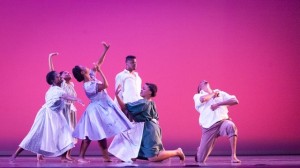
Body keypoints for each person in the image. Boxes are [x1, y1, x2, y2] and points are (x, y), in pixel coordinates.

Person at [71, 42, 133, 163]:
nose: (86, 66)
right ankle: (82, 157)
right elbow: (105, 85)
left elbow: (98, 63)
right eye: (83, 67)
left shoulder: (92, 77)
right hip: (96, 109)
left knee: (100, 132)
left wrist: (105, 50)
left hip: (103, 105)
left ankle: (105, 156)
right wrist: (102, 71)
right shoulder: (88, 85)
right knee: (90, 134)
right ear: (83, 73)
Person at [10, 71, 82, 163]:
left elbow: (64, 95)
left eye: (59, 76)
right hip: (46, 114)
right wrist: (76, 99)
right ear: (52, 81)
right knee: (35, 134)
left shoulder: (57, 88)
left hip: (57, 115)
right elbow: (65, 96)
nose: (60, 77)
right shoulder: (55, 90)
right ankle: (15, 155)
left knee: (67, 133)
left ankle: (63, 157)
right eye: (57, 77)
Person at [114, 82, 185, 162]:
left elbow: (125, 107)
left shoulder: (144, 102)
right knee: (133, 153)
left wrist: (117, 95)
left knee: (153, 158)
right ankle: (162, 154)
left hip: (148, 129)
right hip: (146, 128)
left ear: (150, 92)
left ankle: (177, 152)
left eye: (144, 89)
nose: (141, 89)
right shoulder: (150, 102)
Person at [193, 80, 241, 164]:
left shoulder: (220, 93)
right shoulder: (197, 95)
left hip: (222, 122)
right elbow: (203, 99)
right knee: (200, 159)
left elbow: (235, 100)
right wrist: (214, 94)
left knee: (231, 126)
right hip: (209, 128)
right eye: (202, 81)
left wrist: (218, 104)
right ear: (200, 87)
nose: (204, 80)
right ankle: (200, 149)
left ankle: (233, 156)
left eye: (205, 80)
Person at [108, 55, 144, 162]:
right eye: (132, 62)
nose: (135, 64)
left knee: (136, 130)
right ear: (126, 63)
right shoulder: (121, 75)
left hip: (138, 106)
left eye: (135, 62)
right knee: (126, 130)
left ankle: (131, 154)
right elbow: (118, 93)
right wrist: (120, 108)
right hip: (127, 106)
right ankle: (122, 154)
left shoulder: (137, 76)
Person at [49, 53, 78, 159]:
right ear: (60, 77)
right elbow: (52, 72)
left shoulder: (72, 84)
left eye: (68, 72)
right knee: (66, 131)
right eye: (65, 73)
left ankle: (67, 154)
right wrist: (50, 58)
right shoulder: (61, 83)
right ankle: (65, 155)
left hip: (71, 110)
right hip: (63, 110)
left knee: (72, 131)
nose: (68, 73)